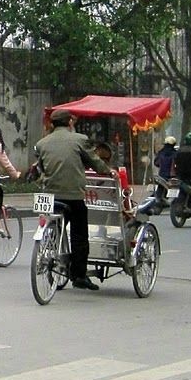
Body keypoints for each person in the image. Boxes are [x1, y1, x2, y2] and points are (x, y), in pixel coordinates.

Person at [33, 108, 113, 290]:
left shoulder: (41, 144)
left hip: (50, 194)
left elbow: (43, 167)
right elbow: (96, 163)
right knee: (79, 234)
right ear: (70, 123)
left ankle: (51, 250)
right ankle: (79, 275)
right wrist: (109, 171)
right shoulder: (79, 140)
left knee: (55, 223)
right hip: (73, 196)